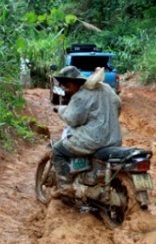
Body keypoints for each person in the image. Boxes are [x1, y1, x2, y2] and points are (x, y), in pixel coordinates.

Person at [51, 66, 123, 196]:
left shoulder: (80, 96)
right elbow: (118, 105)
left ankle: (65, 187)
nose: (66, 89)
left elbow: (72, 119)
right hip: (114, 139)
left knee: (57, 150)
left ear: (77, 82)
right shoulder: (106, 87)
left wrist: (60, 109)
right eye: (64, 86)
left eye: (67, 86)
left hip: (92, 141)